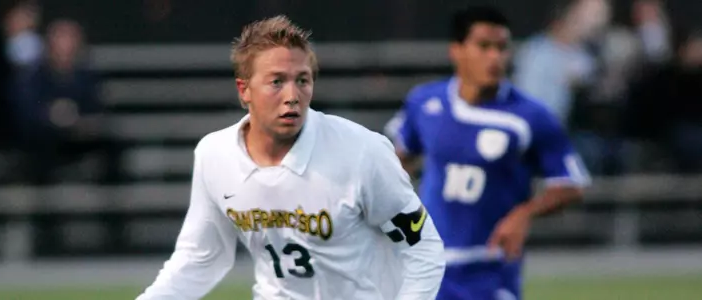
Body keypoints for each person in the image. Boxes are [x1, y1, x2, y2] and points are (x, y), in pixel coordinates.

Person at [138, 16, 445, 300]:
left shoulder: (362, 151)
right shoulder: (215, 154)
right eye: (276, 81)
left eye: (302, 80)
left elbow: (422, 248)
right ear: (244, 90)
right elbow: (199, 260)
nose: (292, 95)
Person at [383, 6, 590, 300]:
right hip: (427, 264)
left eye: (502, 48)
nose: (495, 57)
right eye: (484, 47)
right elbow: (396, 161)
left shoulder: (529, 117)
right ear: (457, 50)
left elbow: (572, 185)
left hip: (490, 268)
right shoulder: (424, 103)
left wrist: (523, 214)